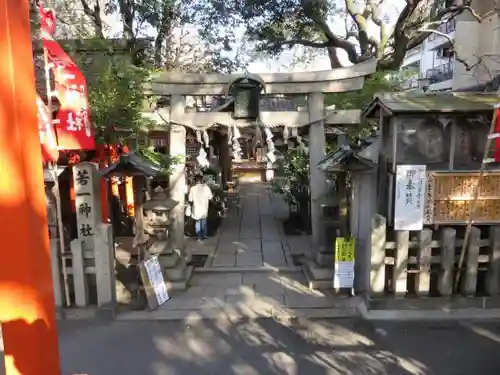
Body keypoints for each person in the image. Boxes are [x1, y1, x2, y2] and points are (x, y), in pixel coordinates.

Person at [188, 174, 213, 242]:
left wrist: (190, 206)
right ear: (201, 180)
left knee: (198, 222)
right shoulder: (206, 187)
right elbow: (210, 197)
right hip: (204, 207)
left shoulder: (192, 189)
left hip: (196, 208)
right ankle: (204, 236)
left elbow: (190, 200)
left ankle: (199, 237)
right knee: (204, 222)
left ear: (195, 181)